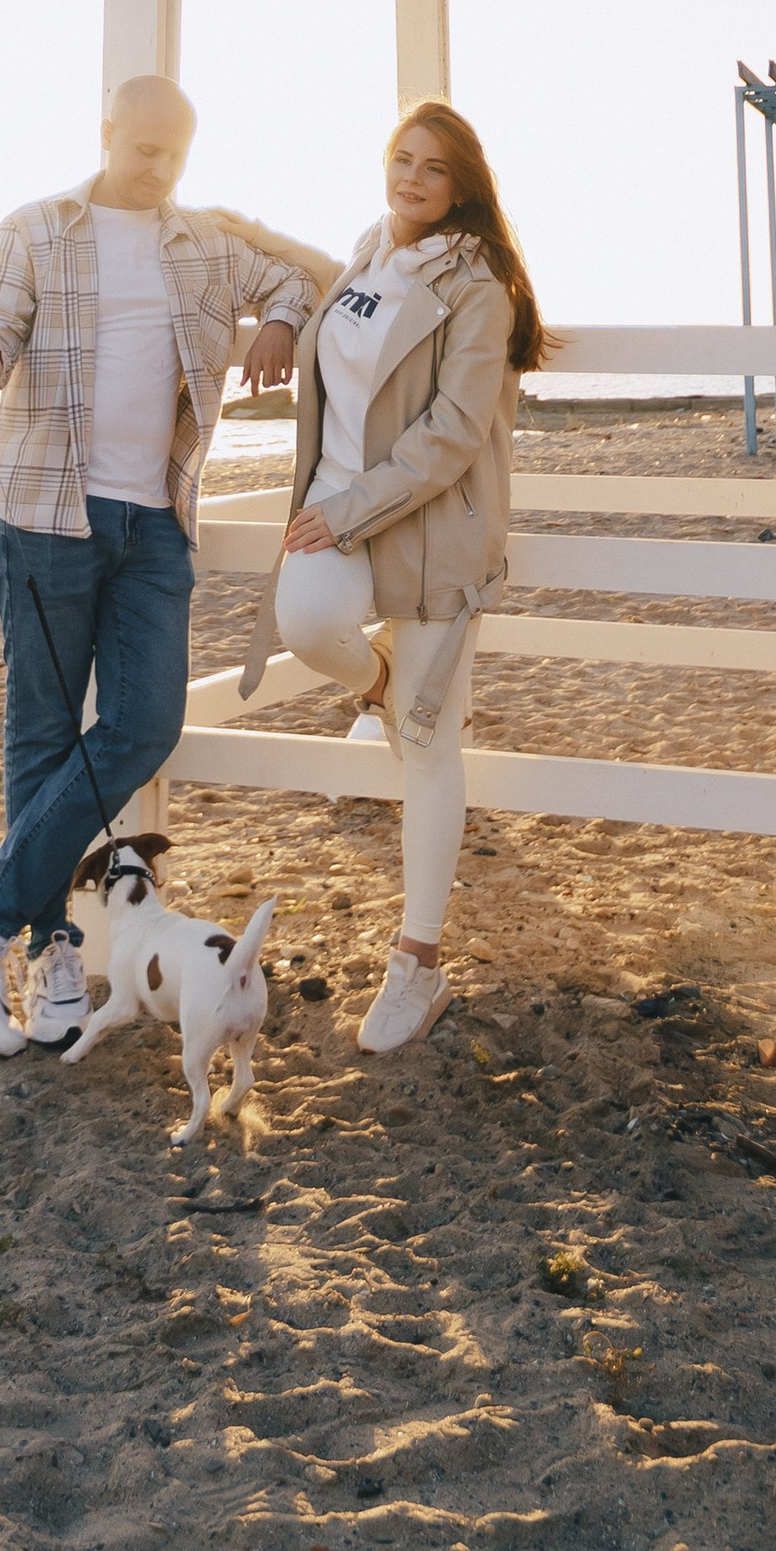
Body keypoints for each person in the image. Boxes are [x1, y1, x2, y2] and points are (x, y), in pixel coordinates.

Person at [0, 77, 332, 1058]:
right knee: (45, 732)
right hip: (42, 514)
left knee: (146, 720)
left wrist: (277, 319)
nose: (155, 167)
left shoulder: (204, 245)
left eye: (172, 154)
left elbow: (302, 279)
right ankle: (53, 950)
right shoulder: (36, 229)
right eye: (141, 148)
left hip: (153, 522)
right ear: (107, 134)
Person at [243, 100, 544, 1053]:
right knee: (308, 627)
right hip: (337, 511)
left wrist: (354, 505)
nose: (411, 178)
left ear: (462, 189)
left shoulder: (478, 282)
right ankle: (381, 691)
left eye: (433, 169)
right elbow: (314, 300)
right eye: (401, 159)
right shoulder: (369, 253)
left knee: (429, 747)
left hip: (426, 529)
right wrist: (282, 312)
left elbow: (454, 432)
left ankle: (417, 964)